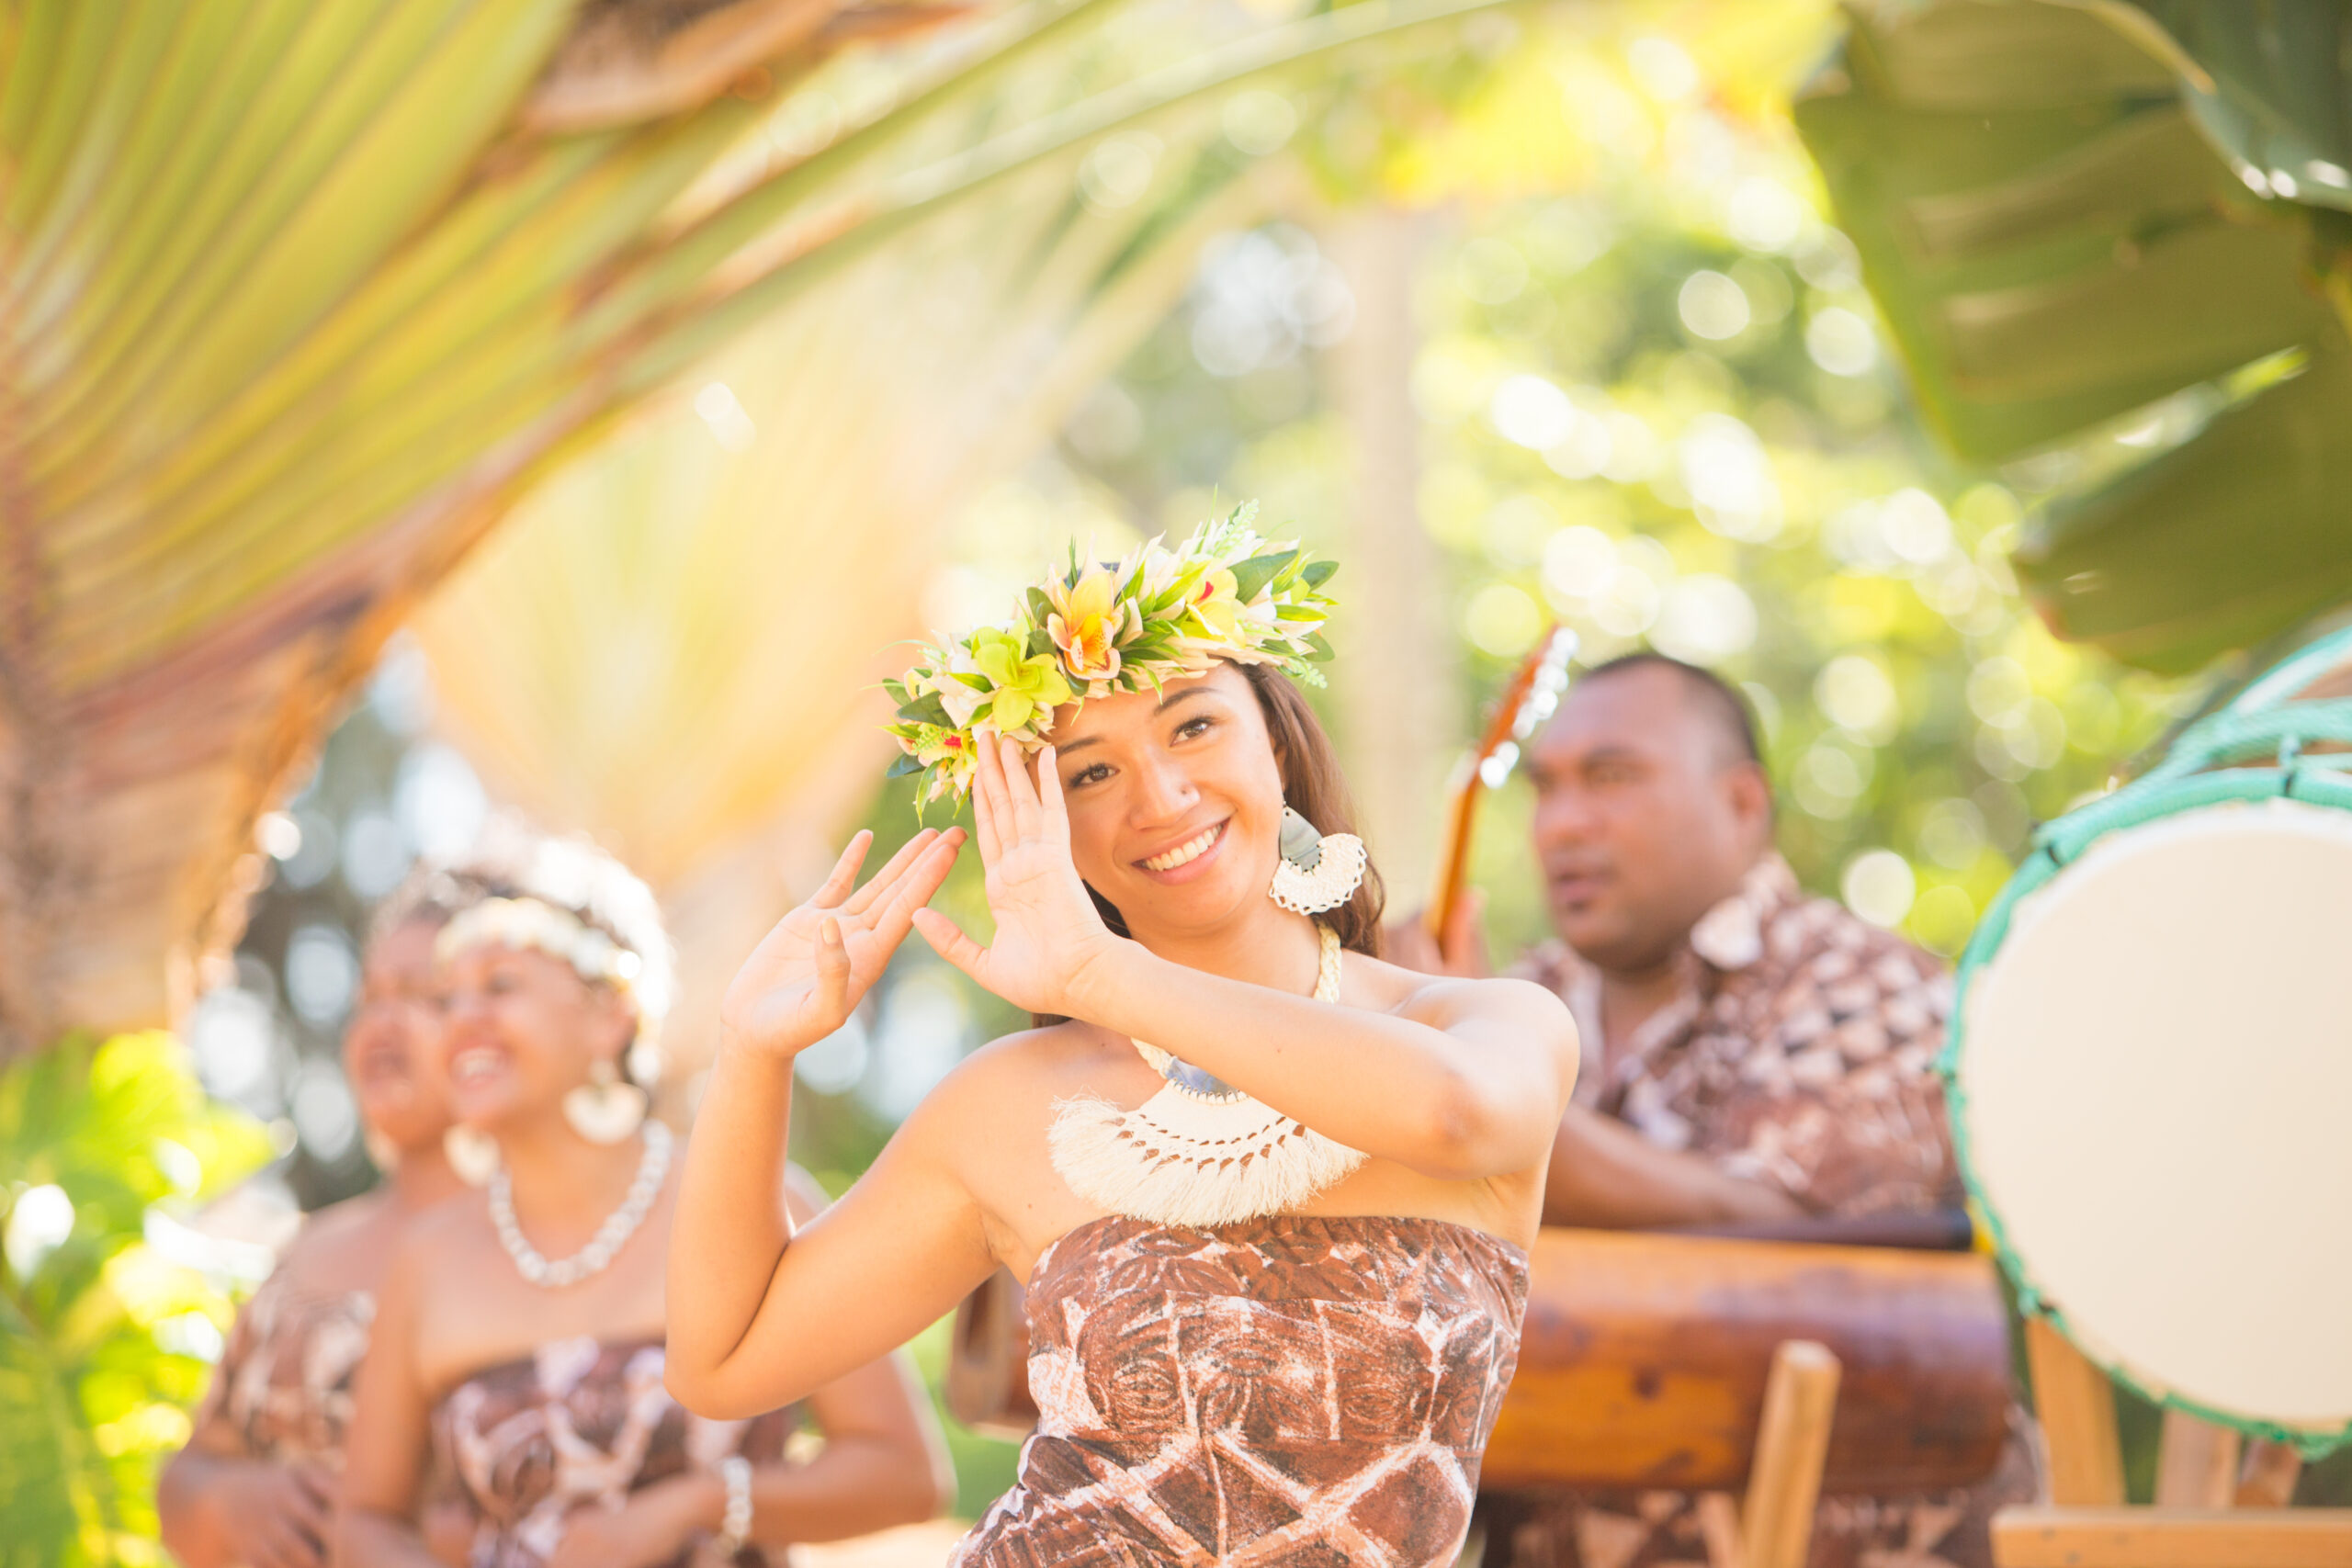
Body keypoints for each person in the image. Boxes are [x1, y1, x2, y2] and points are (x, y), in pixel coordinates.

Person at [666, 512, 1579, 1567]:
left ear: (1275, 743)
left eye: (1194, 726)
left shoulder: (1478, 1029)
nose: (1159, 797)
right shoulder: (1009, 1107)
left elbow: (1456, 1118)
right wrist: (753, 1053)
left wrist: (1109, 978)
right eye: (1090, 773)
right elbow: (723, 1365)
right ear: (1045, 824)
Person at [1404, 651, 2036, 1568]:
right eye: (1545, 788)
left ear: (1742, 804)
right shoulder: (1514, 995)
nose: (1562, 823)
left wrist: (1468, 1092)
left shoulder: (1864, 981)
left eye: (1611, 778)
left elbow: (1775, 1229)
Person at [340, 829, 948, 1568]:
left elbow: (908, 1476)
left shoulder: (757, 1198)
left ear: (610, 1014)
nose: (461, 1018)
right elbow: (366, 1522)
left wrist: (696, 1505)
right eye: (446, 997)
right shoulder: (429, 1258)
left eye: (499, 985)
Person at [161, 868, 487, 1568]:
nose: (382, 1021)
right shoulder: (306, 1248)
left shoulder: (552, 1246)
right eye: (368, 998)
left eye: (424, 995)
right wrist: (228, 1503)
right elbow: (185, 1475)